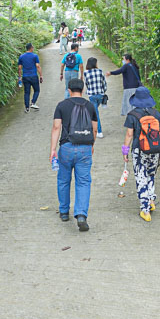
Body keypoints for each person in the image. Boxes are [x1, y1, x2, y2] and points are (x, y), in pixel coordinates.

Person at [49, 78, 98, 231]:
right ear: (82, 90)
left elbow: (57, 127)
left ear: (69, 90)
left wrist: (52, 149)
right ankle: (81, 214)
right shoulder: (90, 106)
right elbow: (94, 129)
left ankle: (64, 212)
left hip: (66, 148)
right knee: (83, 182)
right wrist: (92, 145)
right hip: (84, 148)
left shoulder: (62, 105)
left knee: (63, 180)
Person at [122, 87, 160, 222]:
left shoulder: (132, 115)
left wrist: (125, 151)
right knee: (151, 175)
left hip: (139, 150)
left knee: (141, 177)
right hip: (154, 150)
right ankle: (151, 200)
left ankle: (145, 209)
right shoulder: (155, 113)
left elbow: (129, 134)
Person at [107, 54, 142, 120]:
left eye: (123, 59)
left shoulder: (126, 66)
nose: (123, 60)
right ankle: (137, 119)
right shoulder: (135, 66)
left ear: (127, 60)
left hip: (129, 89)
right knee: (135, 105)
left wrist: (110, 73)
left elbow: (119, 71)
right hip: (137, 88)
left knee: (129, 106)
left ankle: (132, 121)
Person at [83, 57, 107, 138]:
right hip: (100, 94)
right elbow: (104, 83)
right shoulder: (100, 71)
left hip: (92, 95)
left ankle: (99, 131)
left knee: (95, 113)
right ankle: (93, 128)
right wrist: (104, 91)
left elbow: (87, 84)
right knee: (94, 111)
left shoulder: (86, 73)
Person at [17, 43, 43, 113]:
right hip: (33, 76)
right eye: (33, 47)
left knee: (27, 92)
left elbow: (19, 68)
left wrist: (19, 77)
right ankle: (33, 103)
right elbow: (37, 66)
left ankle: (27, 108)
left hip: (25, 77)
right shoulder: (35, 56)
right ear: (31, 48)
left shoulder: (21, 56)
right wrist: (41, 75)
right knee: (37, 90)